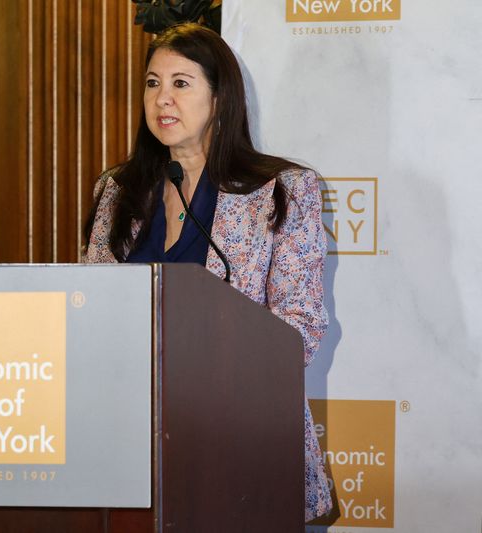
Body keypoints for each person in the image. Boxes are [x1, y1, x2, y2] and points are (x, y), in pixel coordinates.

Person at [83, 22, 332, 522]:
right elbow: (89, 307)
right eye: (152, 83)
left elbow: (299, 329)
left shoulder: (281, 190)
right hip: (126, 437)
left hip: (239, 441)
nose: (162, 100)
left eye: (181, 83)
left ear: (220, 99)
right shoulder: (118, 190)